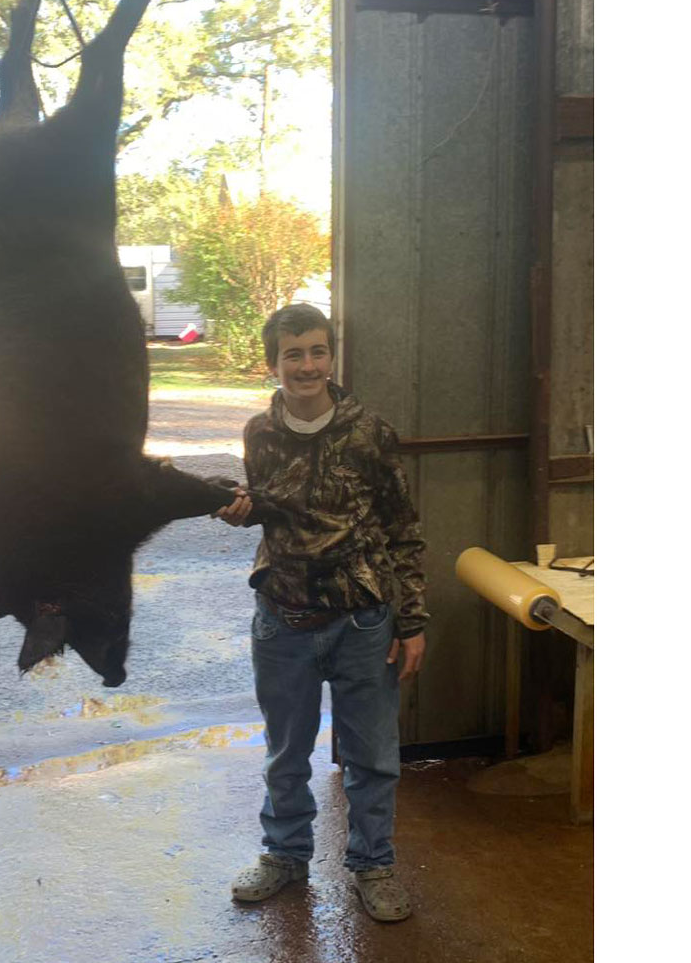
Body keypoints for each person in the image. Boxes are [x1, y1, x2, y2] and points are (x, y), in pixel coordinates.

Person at [212, 303, 429, 923]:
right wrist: (244, 511)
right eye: (293, 354)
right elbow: (278, 511)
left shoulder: (369, 433)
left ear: (331, 357)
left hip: (363, 621)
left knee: (372, 757)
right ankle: (284, 855)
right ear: (273, 363)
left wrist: (411, 621)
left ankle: (373, 864)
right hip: (282, 619)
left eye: (317, 351)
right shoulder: (260, 433)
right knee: (286, 752)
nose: (307, 365)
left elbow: (403, 531)